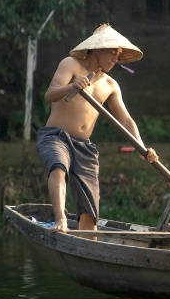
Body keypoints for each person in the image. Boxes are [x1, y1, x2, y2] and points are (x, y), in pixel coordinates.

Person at [39, 24, 155, 231]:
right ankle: (60, 220)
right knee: (58, 167)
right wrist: (72, 86)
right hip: (56, 136)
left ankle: (88, 244)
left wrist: (142, 148)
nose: (115, 58)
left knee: (89, 213)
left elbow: (126, 121)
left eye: (118, 54)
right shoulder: (71, 65)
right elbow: (50, 94)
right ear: (97, 49)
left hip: (84, 146)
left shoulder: (110, 85)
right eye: (112, 52)